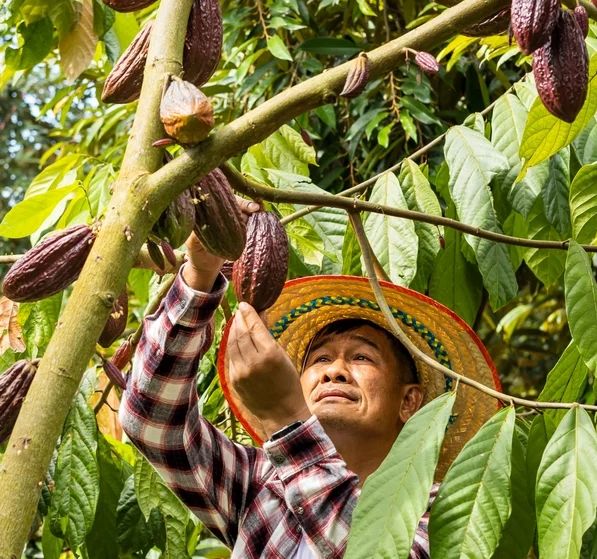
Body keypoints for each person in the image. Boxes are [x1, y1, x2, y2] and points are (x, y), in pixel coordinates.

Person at [120, 201, 501, 558]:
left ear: (410, 401)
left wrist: (287, 420)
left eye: (361, 357)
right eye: (319, 359)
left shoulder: (441, 509)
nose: (333, 370)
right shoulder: (260, 487)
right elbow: (151, 421)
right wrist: (200, 274)